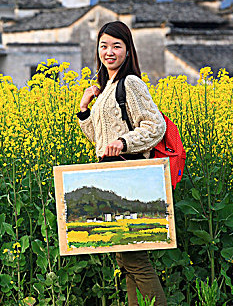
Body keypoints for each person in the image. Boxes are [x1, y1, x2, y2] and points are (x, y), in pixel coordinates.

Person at [76, 21, 167, 306]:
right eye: (104, 46)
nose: (109, 52)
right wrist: (84, 110)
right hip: (111, 176)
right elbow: (100, 140)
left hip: (129, 176)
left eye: (116, 46)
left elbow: (156, 126)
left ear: (128, 51)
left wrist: (125, 143)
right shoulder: (107, 88)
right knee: (125, 256)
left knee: (135, 258)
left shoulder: (130, 83)